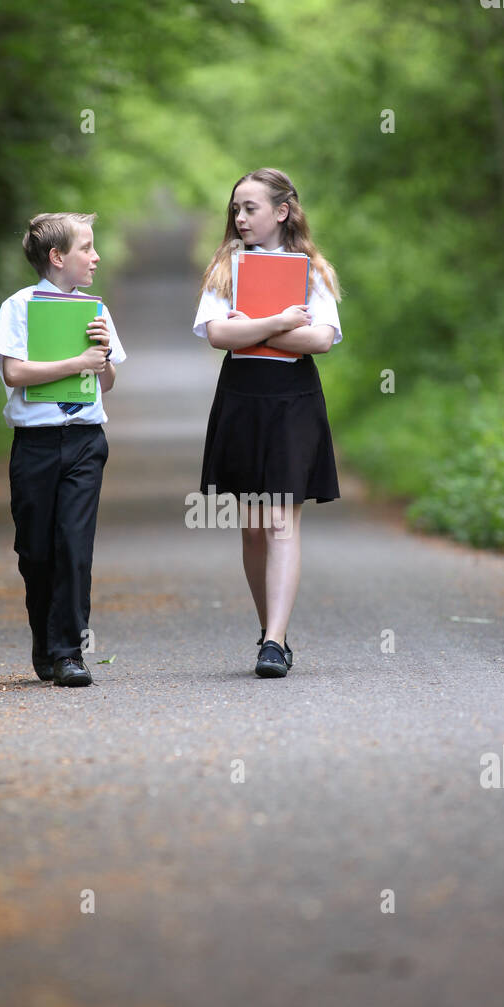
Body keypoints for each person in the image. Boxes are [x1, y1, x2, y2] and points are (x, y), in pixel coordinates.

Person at [193, 168, 342, 678]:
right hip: (243, 398)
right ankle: (267, 630)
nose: (239, 218)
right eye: (235, 209)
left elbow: (320, 341)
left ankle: (275, 642)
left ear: (282, 211)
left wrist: (251, 329)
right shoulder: (225, 269)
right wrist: (281, 323)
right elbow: (217, 335)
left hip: (293, 400)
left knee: (281, 520)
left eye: (250, 208)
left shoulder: (312, 271)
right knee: (253, 527)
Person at [0, 212, 126, 687]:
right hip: (36, 444)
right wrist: (75, 362)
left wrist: (102, 356)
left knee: (74, 546)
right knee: (36, 551)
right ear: (57, 257)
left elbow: (106, 382)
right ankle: (44, 639)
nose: (96, 256)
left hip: (85, 439)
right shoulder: (19, 307)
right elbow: (14, 373)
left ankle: (70, 651)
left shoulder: (95, 310)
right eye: (87, 248)